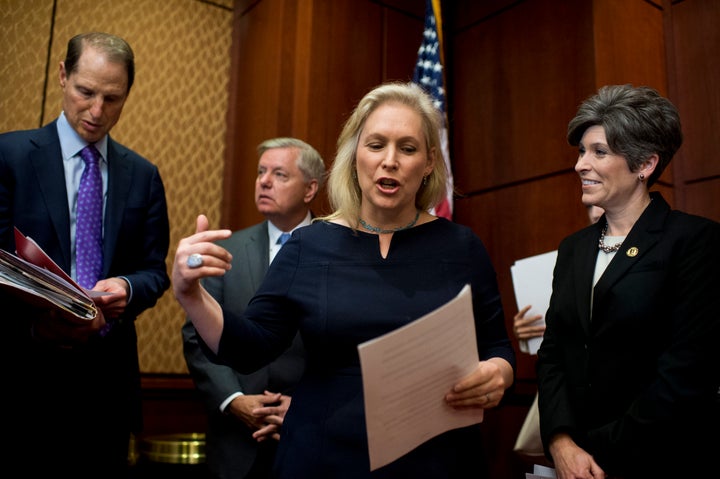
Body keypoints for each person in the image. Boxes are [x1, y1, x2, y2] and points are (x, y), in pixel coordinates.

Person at [172, 81, 515, 478]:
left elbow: (497, 348)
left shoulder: (462, 247)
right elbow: (248, 347)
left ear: (429, 162)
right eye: (375, 145)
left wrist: (499, 373)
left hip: (435, 459)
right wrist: (190, 293)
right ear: (355, 157)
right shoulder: (307, 244)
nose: (390, 160)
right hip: (322, 456)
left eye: (407, 148)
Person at [0, 32, 170, 478]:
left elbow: (155, 271)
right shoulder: (9, 156)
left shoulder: (144, 176)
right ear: (62, 76)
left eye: (112, 98)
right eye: (85, 92)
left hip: (106, 386)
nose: (97, 112)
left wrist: (128, 287)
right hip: (22, 378)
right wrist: (38, 322)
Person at [536, 84, 720, 478]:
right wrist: (561, 443)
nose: (580, 165)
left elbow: (685, 373)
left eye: (599, 152)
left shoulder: (694, 241)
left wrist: (593, 449)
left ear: (645, 165)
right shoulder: (573, 248)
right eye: (581, 151)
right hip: (574, 461)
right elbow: (554, 354)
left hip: (660, 459)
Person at [182, 137, 325, 478]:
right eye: (261, 172)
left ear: (310, 189)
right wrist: (233, 400)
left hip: (313, 439)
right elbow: (196, 337)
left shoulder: (340, 250)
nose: (263, 181)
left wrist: (306, 408)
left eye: (279, 174)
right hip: (236, 443)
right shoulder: (224, 250)